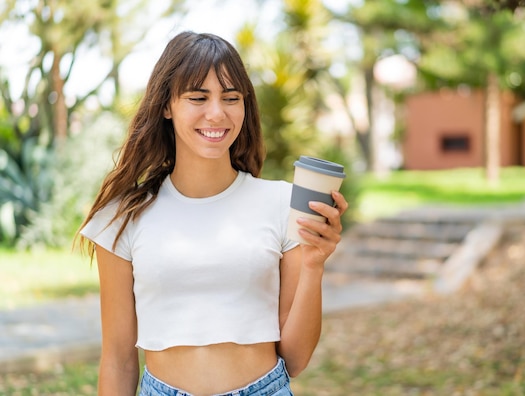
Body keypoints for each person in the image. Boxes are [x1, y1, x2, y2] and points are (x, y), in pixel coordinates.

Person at [77, 31, 348, 396]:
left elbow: (295, 359)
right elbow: (118, 359)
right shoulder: (124, 216)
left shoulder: (282, 204)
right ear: (166, 105)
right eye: (198, 97)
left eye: (231, 98)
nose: (217, 113)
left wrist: (315, 264)